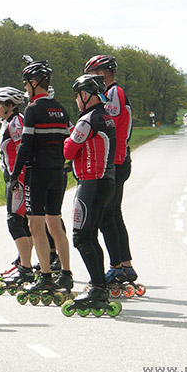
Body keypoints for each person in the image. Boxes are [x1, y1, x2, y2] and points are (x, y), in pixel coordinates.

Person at [10, 61, 73, 295]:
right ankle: (66, 275)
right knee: (55, 225)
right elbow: (69, 140)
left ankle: (45, 276)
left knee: (35, 225)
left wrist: (15, 174)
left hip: (37, 173)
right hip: (58, 173)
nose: (26, 88)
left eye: (27, 84)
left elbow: (25, 145)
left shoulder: (33, 109)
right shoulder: (61, 109)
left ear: (34, 83)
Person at [63, 74, 118, 313]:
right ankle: (100, 286)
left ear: (85, 95)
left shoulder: (87, 121)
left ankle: (97, 288)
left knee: (81, 238)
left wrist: (68, 137)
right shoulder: (106, 118)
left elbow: (68, 150)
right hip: (107, 183)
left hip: (90, 184)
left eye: (77, 96)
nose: (76, 100)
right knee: (91, 236)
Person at [84, 54, 138, 287]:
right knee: (114, 214)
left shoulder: (114, 92)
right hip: (118, 159)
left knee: (107, 216)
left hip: (115, 161)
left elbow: (109, 123)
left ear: (103, 73)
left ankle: (117, 267)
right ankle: (125, 265)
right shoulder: (112, 93)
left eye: (93, 74)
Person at [0, 87, 35, 289]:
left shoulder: (16, 123)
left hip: (19, 179)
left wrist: (17, 177)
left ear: (8, 106)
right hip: (15, 178)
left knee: (16, 222)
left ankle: (25, 269)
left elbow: (23, 150)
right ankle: (23, 263)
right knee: (21, 222)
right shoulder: (9, 122)